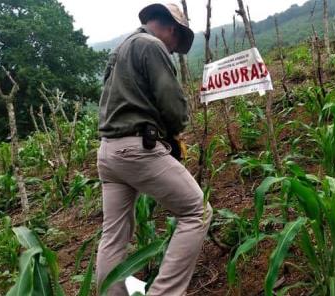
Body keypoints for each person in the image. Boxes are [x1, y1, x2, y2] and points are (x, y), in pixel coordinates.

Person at [96, 3, 212, 295]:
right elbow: (172, 105)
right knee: (197, 212)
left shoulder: (121, 49)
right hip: (137, 149)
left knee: (113, 236)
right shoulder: (152, 45)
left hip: (108, 153)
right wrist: (175, 132)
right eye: (176, 44)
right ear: (172, 29)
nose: (173, 50)